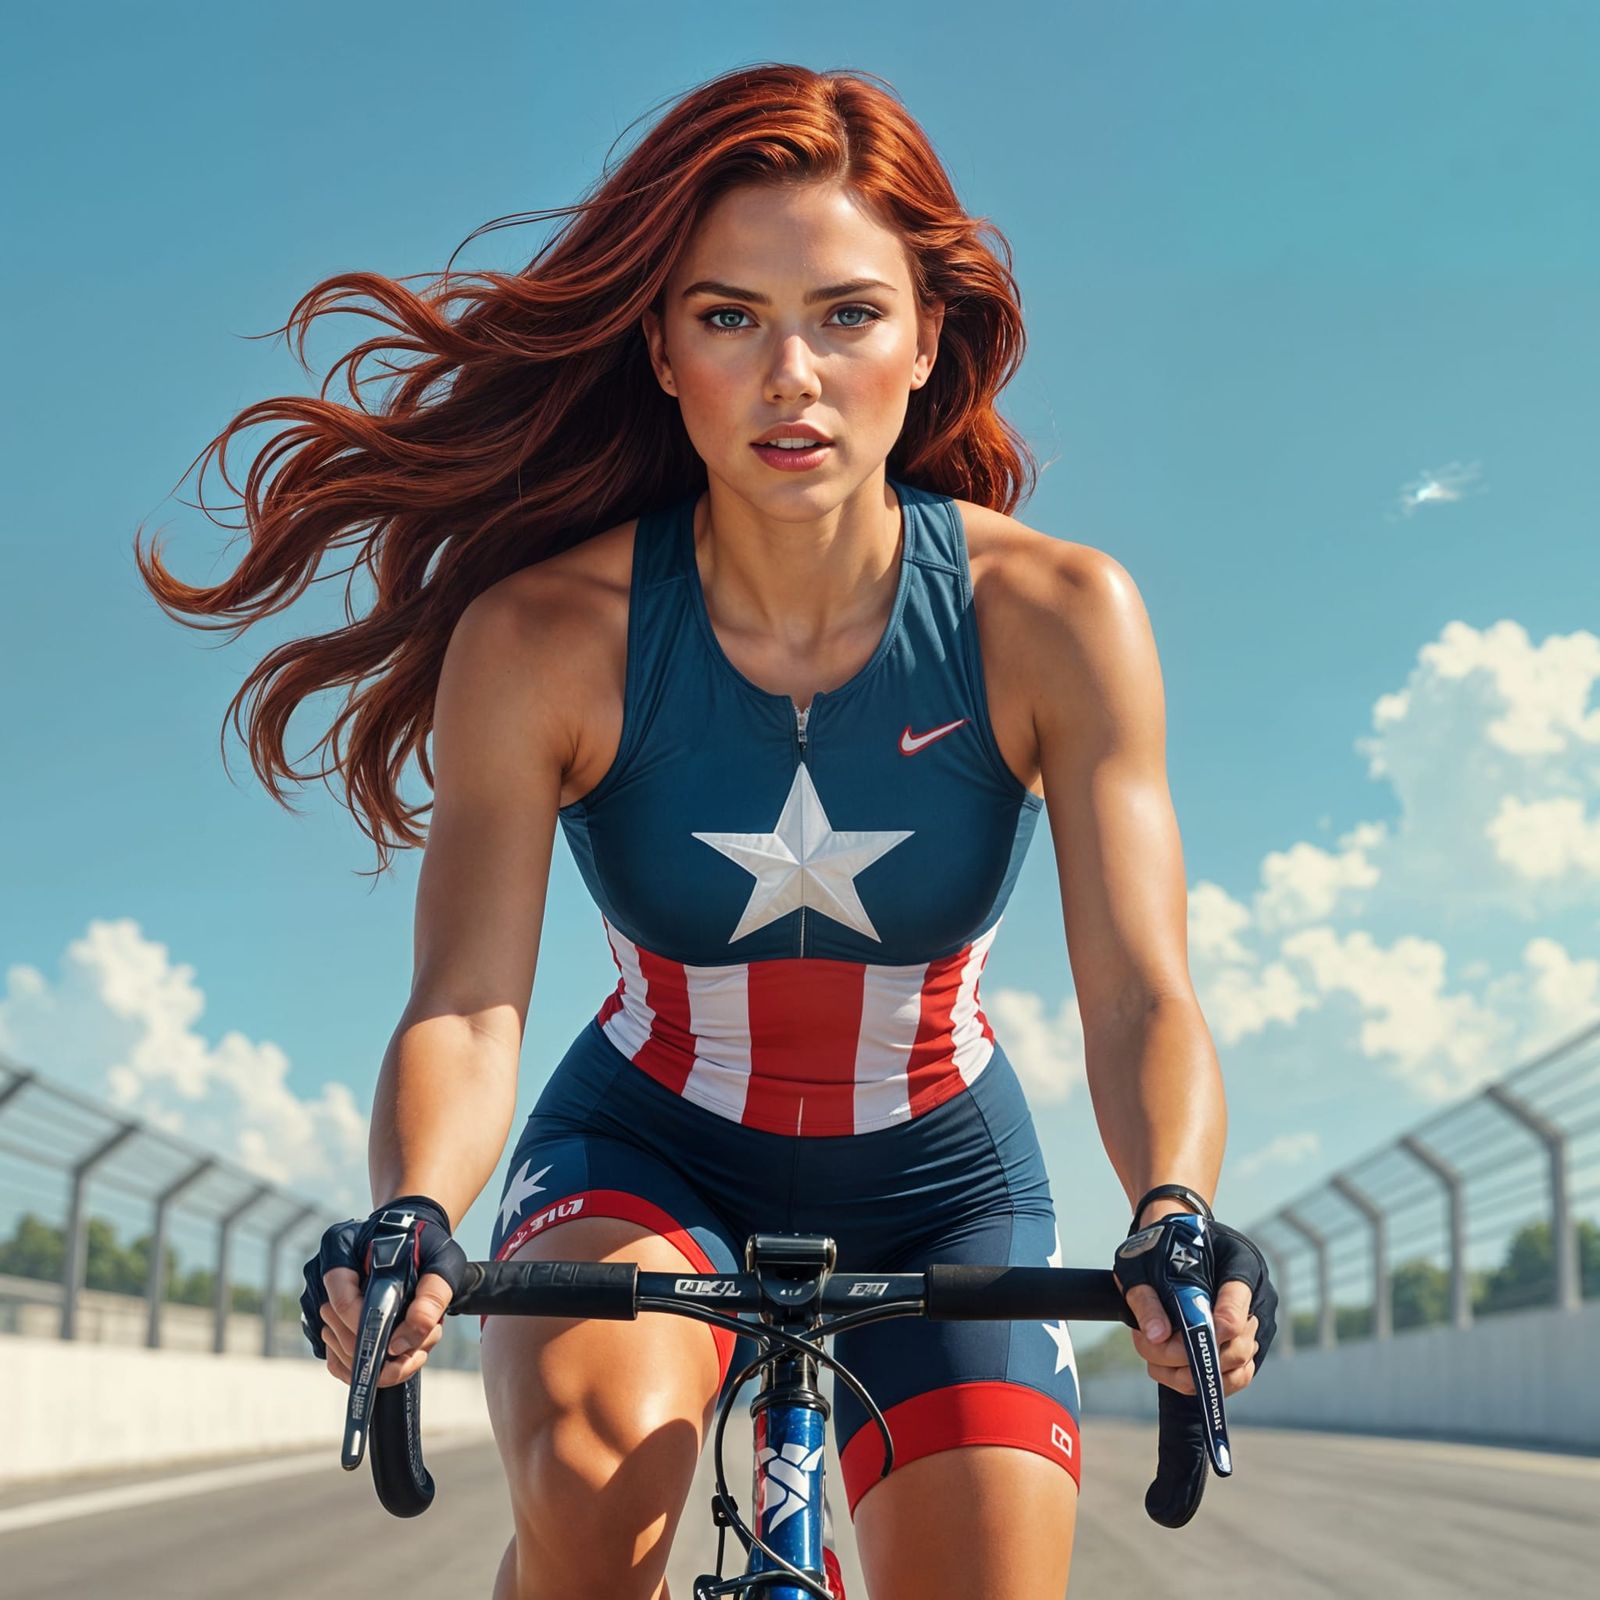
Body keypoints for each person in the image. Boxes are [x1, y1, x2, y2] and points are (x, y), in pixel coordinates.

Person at [138, 62, 1270, 1600]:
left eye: (848, 315)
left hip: (944, 1177)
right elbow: (468, 1004)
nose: (790, 374)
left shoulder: (1057, 616)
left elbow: (1143, 988)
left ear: (929, 340)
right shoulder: (543, 635)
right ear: (663, 350)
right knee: (595, 1509)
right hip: (640, 1156)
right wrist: (413, 1214)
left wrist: (1175, 1214)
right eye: (731, 316)